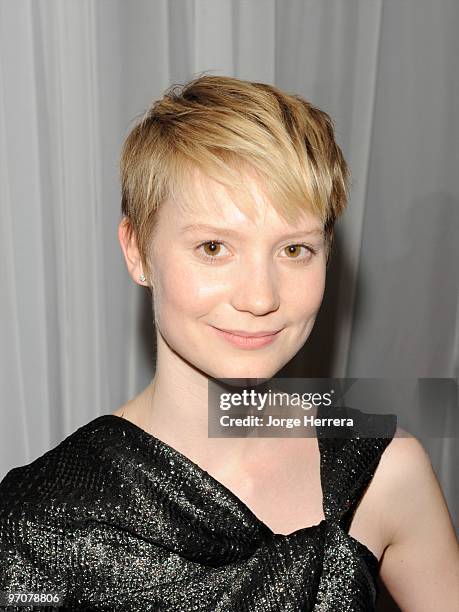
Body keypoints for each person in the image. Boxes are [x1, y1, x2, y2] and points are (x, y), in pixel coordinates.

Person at [0, 74, 458, 611]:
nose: (261, 297)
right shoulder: (35, 522)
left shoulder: (384, 469)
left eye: (295, 250)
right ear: (138, 252)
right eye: (214, 247)